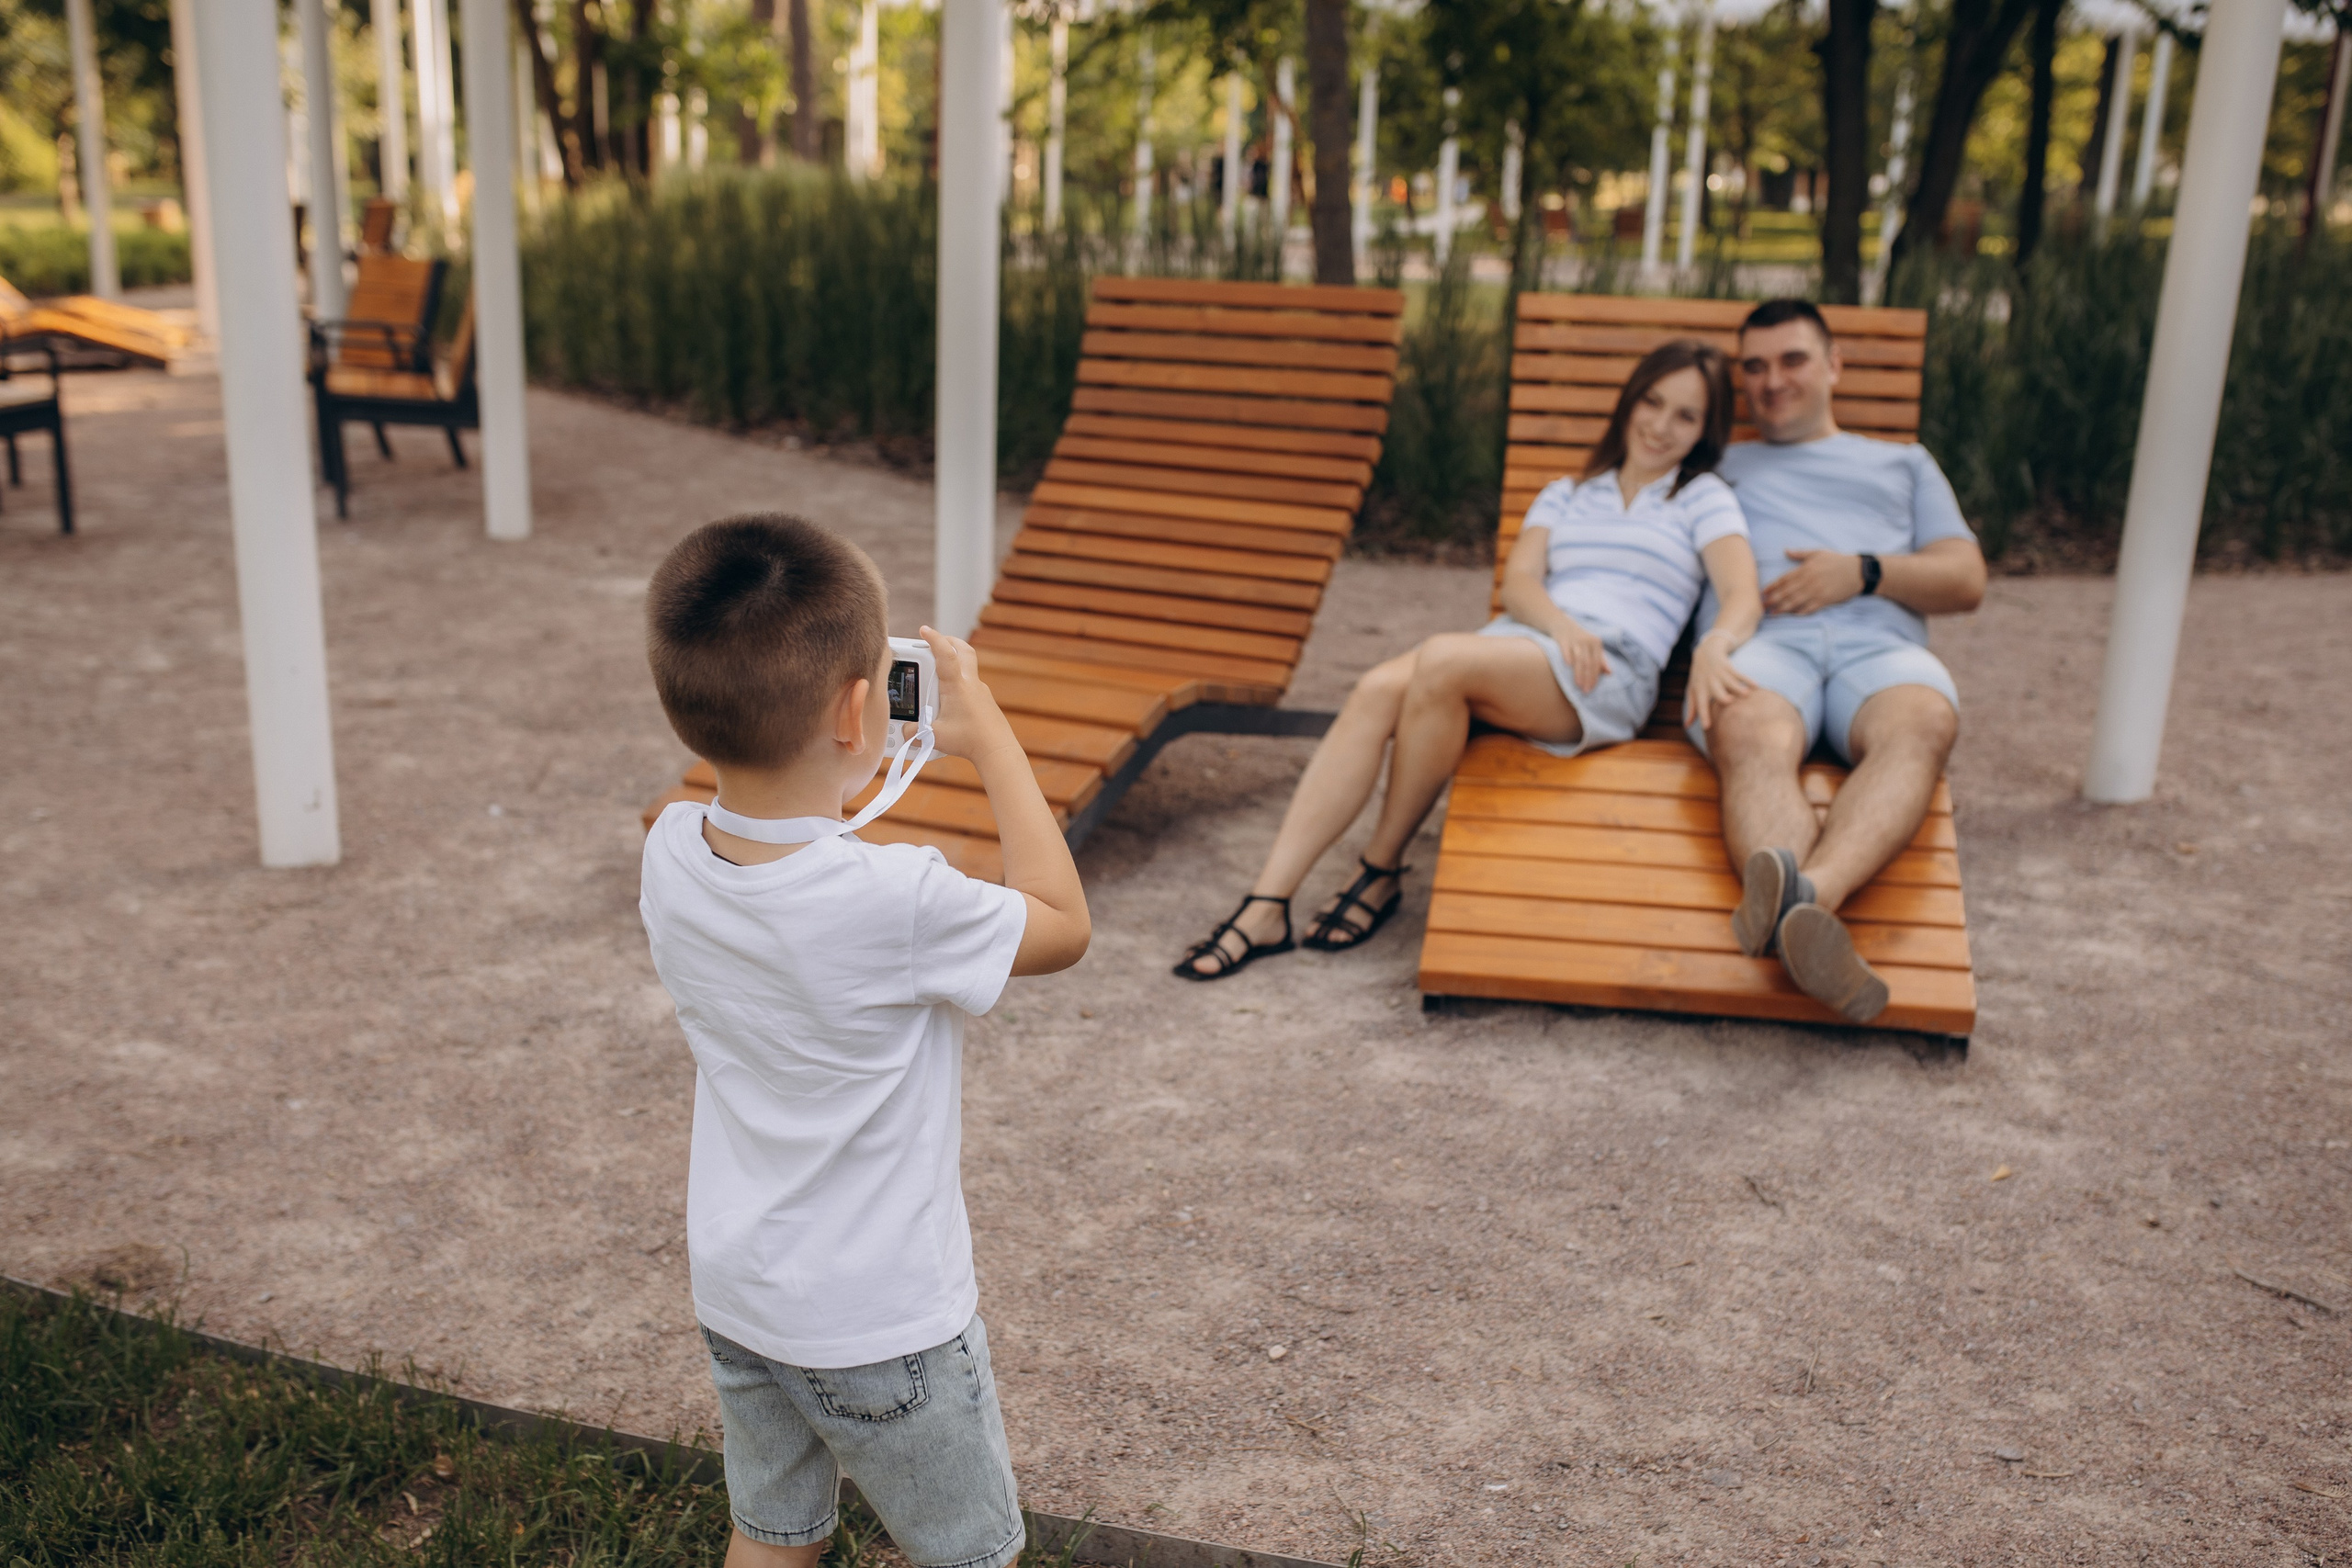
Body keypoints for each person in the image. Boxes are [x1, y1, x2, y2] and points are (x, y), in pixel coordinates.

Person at [637, 515, 1090, 1568]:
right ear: (858, 708)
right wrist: (989, 739)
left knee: (772, 1533)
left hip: (742, 1293)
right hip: (884, 1326)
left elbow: (787, 852)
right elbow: (1060, 924)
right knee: (969, 1556)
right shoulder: (898, 898)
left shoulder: (667, 850)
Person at [1176, 338, 1764, 980]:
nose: (1660, 425)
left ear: (1706, 429)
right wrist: (1560, 625)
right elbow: (1520, 584)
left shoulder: (1703, 497)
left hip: (1609, 670)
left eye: (1685, 415)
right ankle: (1269, 903)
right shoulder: (1569, 491)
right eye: (1653, 402)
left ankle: (1379, 868)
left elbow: (1741, 595)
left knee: (1444, 661)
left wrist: (1715, 643)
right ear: (1631, 400)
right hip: (1527, 637)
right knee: (1377, 688)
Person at [1694, 299, 1987, 1023]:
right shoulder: (1716, 468)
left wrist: (1862, 572)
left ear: (1834, 366)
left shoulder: (1902, 462)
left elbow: (1965, 577)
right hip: (1768, 646)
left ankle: (1809, 897)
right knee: (1746, 727)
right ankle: (1812, 920)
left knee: (1921, 719)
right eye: (1754, 367)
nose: (1772, 381)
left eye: (1793, 360)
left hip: (1877, 649)